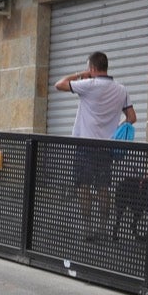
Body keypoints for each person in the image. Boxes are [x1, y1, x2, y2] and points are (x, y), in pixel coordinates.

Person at [53, 51, 136, 240]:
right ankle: (103, 228)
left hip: (85, 146)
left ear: (92, 68)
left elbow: (59, 84)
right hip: (106, 148)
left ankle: (87, 229)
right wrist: (116, 129)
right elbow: (132, 117)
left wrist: (81, 74)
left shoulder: (89, 85)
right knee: (103, 188)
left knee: (84, 187)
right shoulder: (121, 89)